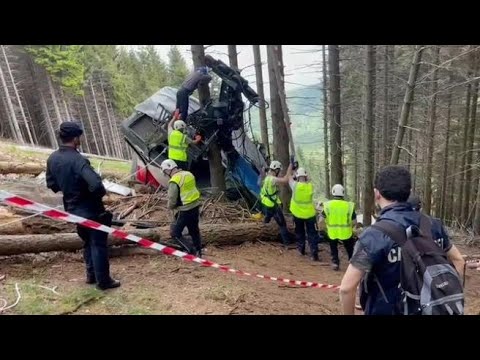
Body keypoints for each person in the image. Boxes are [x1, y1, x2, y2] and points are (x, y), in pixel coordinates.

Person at [339, 165, 465, 315]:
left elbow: (347, 288)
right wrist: (447, 296)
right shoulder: (433, 225)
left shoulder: (373, 235)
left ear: (377, 194)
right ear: (409, 192)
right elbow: (459, 261)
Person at [46, 122, 120, 290]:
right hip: (91, 209)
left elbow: (51, 184)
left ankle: (91, 275)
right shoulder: (78, 160)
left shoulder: (53, 158)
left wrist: (69, 189)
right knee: (98, 243)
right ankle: (104, 281)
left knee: (87, 241)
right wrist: (96, 194)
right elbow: (95, 184)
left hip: (72, 209)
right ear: (75, 138)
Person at [161, 159, 203, 257]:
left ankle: (190, 250)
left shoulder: (174, 181)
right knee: (194, 230)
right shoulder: (188, 174)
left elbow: (172, 199)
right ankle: (198, 251)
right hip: (195, 207)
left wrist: (170, 207)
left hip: (184, 210)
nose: (167, 175)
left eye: (165, 172)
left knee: (175, 233)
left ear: (168, 170)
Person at [320, 184, 356, 271]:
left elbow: (321, 219)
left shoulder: (327, 205)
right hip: (346, 232)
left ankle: (335, 263)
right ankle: (352, 262)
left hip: (332, 232)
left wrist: (323, 228)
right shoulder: (349, 205)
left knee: (333, 247)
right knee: (350, 248)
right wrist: (353, 229)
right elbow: (354, 221)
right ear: (343, 193)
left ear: (333, 192)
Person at [259, 160, 293, 247]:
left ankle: (264, 224)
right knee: (282, 224)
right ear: (276, 170)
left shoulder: (267, 177)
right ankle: (287, 243)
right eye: (279, 170)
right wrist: (290, 166)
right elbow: (285, 180)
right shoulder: (272, 179)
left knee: (268, 216)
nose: (279, 172)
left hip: (266, 203)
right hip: (272, 205)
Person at [288, 167, 319, 261]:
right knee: (312, 234)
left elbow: (289, 177)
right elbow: (309, 180)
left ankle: (301, 249)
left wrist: (292, 171)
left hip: (298, 214)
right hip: (310, 215)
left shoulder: (295, 185)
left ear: (297, 176)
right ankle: (314, 253)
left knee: (299, 232)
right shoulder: (310, 186)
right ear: (305, 176)